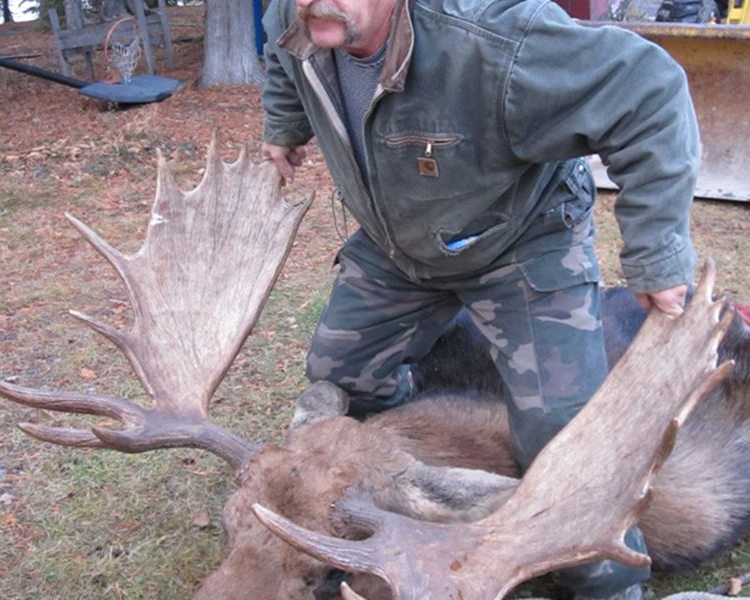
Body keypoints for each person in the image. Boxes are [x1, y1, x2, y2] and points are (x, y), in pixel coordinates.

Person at [260, 0, 699, 598]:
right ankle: (400, 507)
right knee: (339, 383)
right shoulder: (298, 18)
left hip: (521, 243)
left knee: (564, 445)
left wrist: (658, 252)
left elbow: (649, 90)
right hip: (399, 246)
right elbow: (286, 60)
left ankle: (611, 585)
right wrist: (283, 127)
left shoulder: (496, 40)